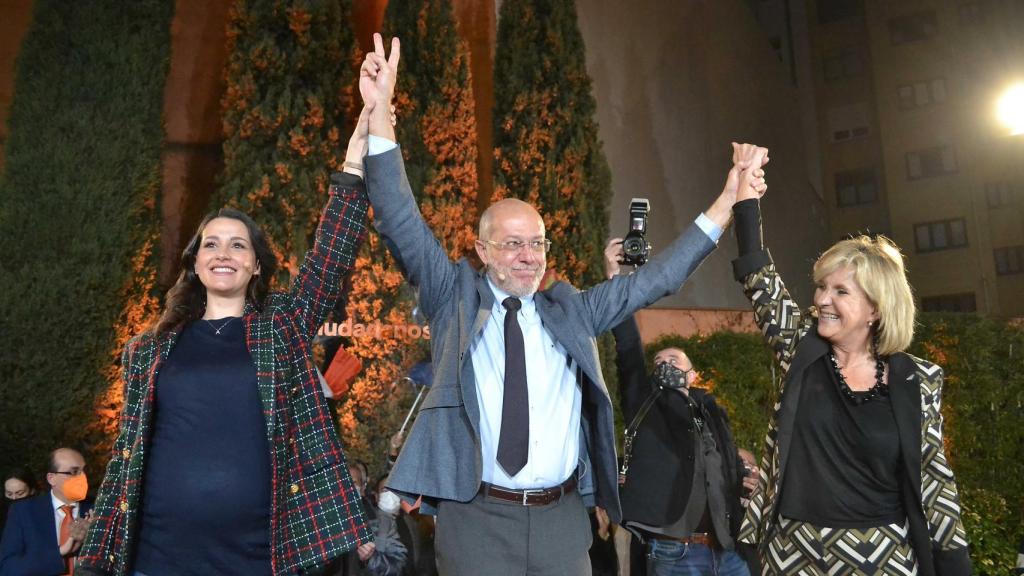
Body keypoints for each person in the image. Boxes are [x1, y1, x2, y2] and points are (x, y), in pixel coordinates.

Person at [357, 32, 767, 575]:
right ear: (481, 250)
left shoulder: (571, 309)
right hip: (475, 519)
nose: (529, 257)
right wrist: (381, 108)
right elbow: (400, 217)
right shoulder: (453, 295)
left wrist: (726, 200)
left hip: (560, 522)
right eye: (512, 243)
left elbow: (659, 279)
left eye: (538, 243)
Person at [76, 107, 377, 576]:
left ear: (256, 266)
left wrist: (356, 157)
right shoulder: (147, 350)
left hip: (258, 553)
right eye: (211, 244)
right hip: (158, 553)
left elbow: (329, 260)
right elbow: (124, 457)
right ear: (195, 263)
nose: (223, 253)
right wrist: (97, 556)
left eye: (239, 245)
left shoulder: (281, 328)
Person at [730, 147, 972, 574]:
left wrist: (954, 563)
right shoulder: (801, 351)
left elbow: (934, 481)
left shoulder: (917, 379)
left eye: (840, 292)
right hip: (792, 551)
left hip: (883, 556)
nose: (822, 300)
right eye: (822, 287)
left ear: (876, 308)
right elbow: (760, 281)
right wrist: (745, 198)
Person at [606, 238, 757, 576]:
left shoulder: (712, 411)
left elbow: (727, 465)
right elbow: (629, 346)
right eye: (658, 361)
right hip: (675, 553)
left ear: (693, 374)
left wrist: (743, 482)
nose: (665, 364)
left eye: (673, 359)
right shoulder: (645, 402)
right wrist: (615, 277)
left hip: (727, 552)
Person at [0, 448, 93, 575]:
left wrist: (96, 537)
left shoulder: (99, 510)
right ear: (51, 478)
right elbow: (8, 569)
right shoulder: (23, 512)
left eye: (84, 471)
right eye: (74, 472)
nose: (83, 478)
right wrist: (60, 552)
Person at [337, 464, 406, 576]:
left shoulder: (383, 522)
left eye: (353, 482)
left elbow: (398, 566)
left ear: (363, 488)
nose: (347, 488)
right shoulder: (318, 522)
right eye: (341, 483)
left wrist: (370, 559)